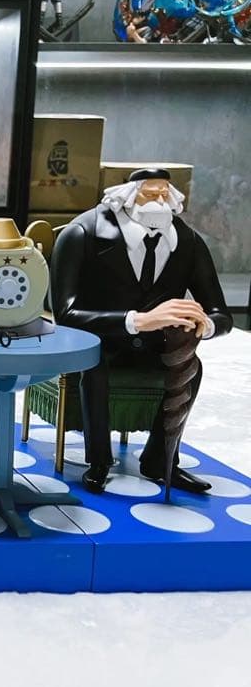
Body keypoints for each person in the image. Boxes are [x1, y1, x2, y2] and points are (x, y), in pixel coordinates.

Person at [51, 168, 232, 494]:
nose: (159, 201)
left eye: (165, 194)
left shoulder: (187, 242)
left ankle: (160, 459)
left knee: (192, 367)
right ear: (129, 196)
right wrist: (137, 320)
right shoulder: (83, 233)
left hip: (153, 345)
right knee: (94, 366)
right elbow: (65, 314)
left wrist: (203, 324)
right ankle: (99, 461)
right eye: (150, 194)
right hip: (96, 342)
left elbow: (221, 313)